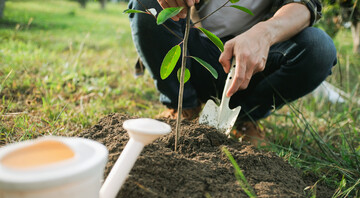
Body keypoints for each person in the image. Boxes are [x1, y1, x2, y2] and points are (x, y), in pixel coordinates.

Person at [127, 0, 337, 145]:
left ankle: (245, 119)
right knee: (147, 3)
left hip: (257, 63)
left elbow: (305, 5)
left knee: (319, 48)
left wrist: (264, 34)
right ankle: (182, 108)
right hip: (196, 51)